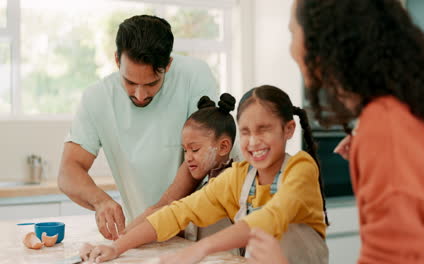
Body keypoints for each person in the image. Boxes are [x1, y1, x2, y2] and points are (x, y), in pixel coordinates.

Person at [247, 0, 424, 263]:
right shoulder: (407, 112)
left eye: (293, 33)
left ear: (324, 42)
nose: (291, 47)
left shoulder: (386, 125)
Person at [79, 85, 329, 264]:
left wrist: (200, 249)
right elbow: (177, 212)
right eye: (246, 132)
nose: (253, 142)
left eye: (263, 129)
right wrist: (116, 247)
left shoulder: (301, 169)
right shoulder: (238, 179)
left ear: (288, 129)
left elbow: (274, 216)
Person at [58, 14, 217, 240]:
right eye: (130, 82)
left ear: (168, 65)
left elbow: (203, 156)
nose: (140, 95)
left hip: (206, 229)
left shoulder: (195, 76)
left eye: (152, 84)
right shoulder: (98, 98)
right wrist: (100, 200)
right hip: (147, 233)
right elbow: (68, 170)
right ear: (116, 60)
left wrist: (159, 212)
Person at [124, 93, 238, 244]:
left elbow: (171, 216)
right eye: (185, 150)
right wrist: (121, 238)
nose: (188, 158)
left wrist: (121, 241)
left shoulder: (230, 182)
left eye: (195, 149)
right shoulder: (207, 179)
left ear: (223, 147)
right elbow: (164, 209)